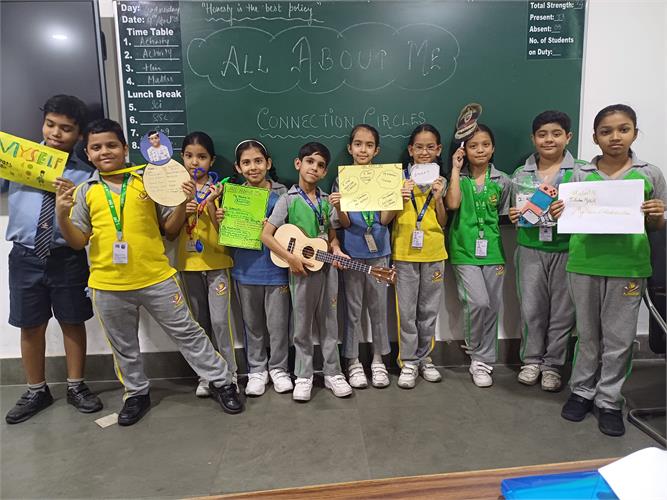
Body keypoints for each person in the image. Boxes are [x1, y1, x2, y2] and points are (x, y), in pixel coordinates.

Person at [54, 118, 243, 425]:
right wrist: (62, 216)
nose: (105, 152)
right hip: (108, 284)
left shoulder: (147, 181)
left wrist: (181, 202)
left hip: (157, 278)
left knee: (189, 333)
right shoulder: (86, 191)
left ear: (125, 148)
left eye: (112, 145)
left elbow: (169, 229)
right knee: (124, 345)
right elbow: (78, 241)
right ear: (87, 153)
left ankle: (222, 382)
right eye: (96, 147)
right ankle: (136, 393)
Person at [553, 104, 666, 436]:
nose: (615, 137)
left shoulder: (649, 174)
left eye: (623, 129)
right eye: (606, 131)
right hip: (584, 263)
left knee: (619, 338)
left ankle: (609, 400)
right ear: (595, 137)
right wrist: (561, 212)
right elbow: (568, 217)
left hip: (628, 266)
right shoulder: (581, 175)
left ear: (634, 133)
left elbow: (657, 225)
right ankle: (581, 391)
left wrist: (657, 214)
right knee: (588, 334)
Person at [4, 95, 103, 424]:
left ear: (79, 134)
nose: (56, 133)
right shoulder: (18, 159)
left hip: (67, 255)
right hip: (25, 255)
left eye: (66, 128)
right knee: (30, 324)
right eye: (50, 125)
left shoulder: (85, 173)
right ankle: (36, 390)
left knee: (73, 320)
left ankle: (76, 386)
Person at [261, 142, 352, 402]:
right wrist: (290, 258)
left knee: (330, 321)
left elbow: (332, 235)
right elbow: (266, 235)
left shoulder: (326, 201)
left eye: (320, 165)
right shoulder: (287, 200)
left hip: (327, 269)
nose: (314, 168)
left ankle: (333, 372)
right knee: (302, 324)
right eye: (310, 161)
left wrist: (337, 249)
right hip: (300, 271)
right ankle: (304, 375)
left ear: (325, 172)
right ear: (298, 164)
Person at [509, 111, 586, 392]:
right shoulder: (521, 174)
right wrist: (514, 215)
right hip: (530, 248)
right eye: (542, 135)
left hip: (567, 249)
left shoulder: (582, 172)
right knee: (532, 309)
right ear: (533, 138)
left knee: (563, 312)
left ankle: (553, 365)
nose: (549, 140)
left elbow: (590, 209)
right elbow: (515, 212)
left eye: (556, 134)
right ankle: (531, 360)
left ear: (568, 137)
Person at [214, 139, 291, 397]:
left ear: (268, 163)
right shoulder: (233, 196)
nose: (253, 167)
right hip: (246, 271)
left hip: (277, 270)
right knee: (252, 325)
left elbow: (294, 230)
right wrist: (222, 220)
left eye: (258, 161)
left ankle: (279, 368)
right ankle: (257, 369)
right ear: (238, 167)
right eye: (246, 163)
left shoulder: (284, 194)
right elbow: (226, 237)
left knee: (278, 325)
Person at [164, 132, 238, 398]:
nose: (195, 162)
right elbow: (170, 232)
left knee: (220, 322)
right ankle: (206, 374)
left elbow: (226, 233)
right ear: (181, 157)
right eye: (189, 156)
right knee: (199, 323)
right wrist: (183, 206)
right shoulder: (174, 189)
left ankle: (229, 373)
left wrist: (212, 205)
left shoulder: (221, 189)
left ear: (212, 160)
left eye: (202, 157)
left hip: (218, 262)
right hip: (188, 264)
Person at [381, 124, 447, 389]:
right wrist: (399, 198)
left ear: (438, 149)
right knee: (406, 311)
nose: (424, 152)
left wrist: (438, 199)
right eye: (419, 147)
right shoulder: (397, 179)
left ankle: (424, 357)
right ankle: (408, 361)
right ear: (410, 150)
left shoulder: (440, 180)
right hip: (404, 253)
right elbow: (385, 220)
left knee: (428, 310)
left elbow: (443, 221)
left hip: (434, 251)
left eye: (430, 147)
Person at [445, 124, 511, 388]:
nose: (480, 150)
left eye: (485, 144)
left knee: (493, 306)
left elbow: (504, 214)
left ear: (493, 148)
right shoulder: (457, 178)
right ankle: (475, 349)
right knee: (478, 302)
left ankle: (483, 362)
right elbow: (452, 204)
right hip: (463, 250)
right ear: (464, 150)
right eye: (473, 146)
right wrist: (455, 168)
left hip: (493, 251)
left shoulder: (503, 180)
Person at [329, 124, 392, 389]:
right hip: (352, 252)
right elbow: (342, 223)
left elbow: (385, 220)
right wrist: (339, 207)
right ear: (350, 148)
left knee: (378, 308)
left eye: (369, 145)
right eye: (358, 144)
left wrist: (396, 201)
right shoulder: (342, 179)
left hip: (380, 251)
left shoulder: (386, 177)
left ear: (376, 150)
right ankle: (353, 361)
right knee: (352, 310)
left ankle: (378, 360)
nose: (363, 149)